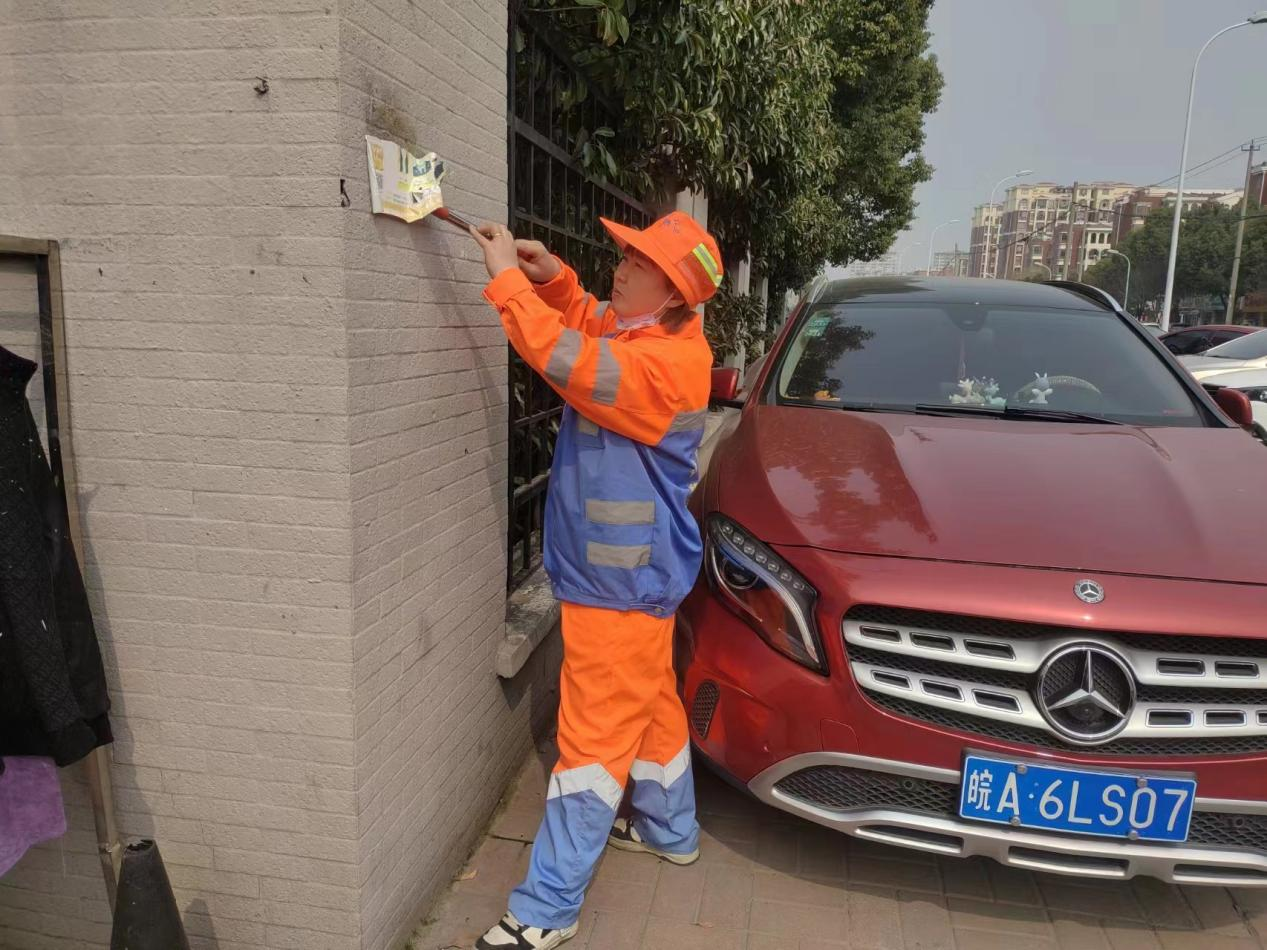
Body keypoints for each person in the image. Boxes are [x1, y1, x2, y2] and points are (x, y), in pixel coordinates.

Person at [469, 211, 723, 950]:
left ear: (672, 295)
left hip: (618, 585)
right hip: (637, 577)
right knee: (652, 703)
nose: (622, 266)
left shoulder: (659, 367)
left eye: (640, 264)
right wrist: (553, 280)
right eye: (628, 254)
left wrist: (509, 285)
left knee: (591, 742)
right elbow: (591, 325)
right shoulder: (655, 339)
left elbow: (566, 359)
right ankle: (671, 830)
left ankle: (549, 908)